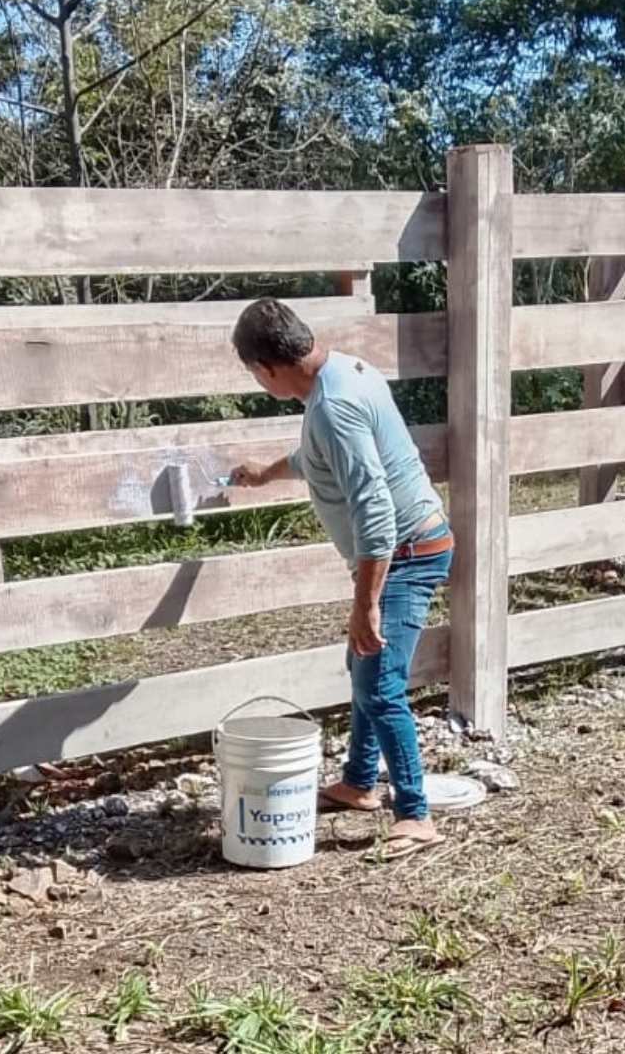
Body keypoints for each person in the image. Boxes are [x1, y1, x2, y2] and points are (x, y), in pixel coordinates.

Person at [227, 298, 453, 861]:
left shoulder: (333, 406)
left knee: (379, 683)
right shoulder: (343, 373)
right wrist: (265, 473)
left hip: (406, 551)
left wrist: (366, 602)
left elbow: (375, 510)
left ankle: (415, 813)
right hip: (404, 547)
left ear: (266, 368)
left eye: (253, 374)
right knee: (363, 665)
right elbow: (315, 458)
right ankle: (357, 784)